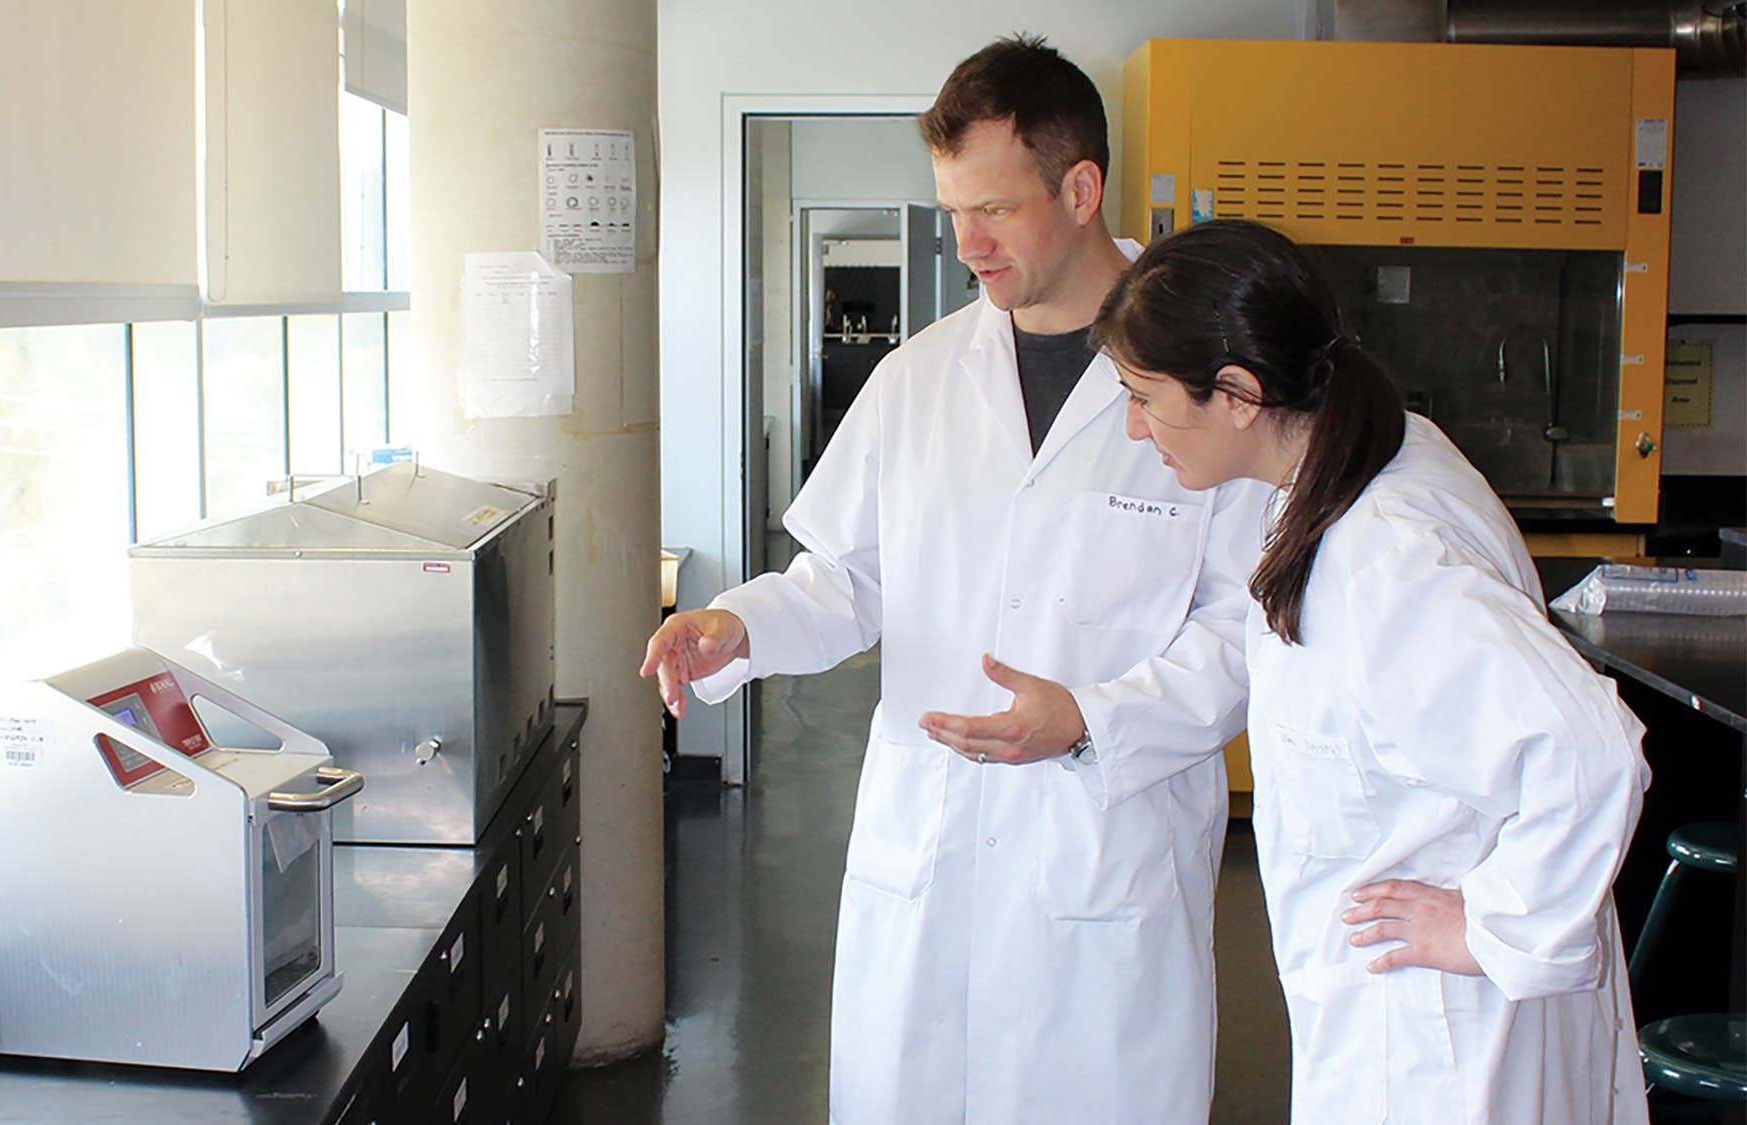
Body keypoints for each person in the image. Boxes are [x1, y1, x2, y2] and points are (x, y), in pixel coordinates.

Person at [640, 36, 1268, 1125]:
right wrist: (733, 627)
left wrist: (1088, 720)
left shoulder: (1206, 378)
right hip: (925, 860)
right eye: (948, 210)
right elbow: (841, 580)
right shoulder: (917, 379)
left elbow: (1240, 629)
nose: (965, 242)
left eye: (992, 208)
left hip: (1096, 857)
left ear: (1080, 188)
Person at [1091, 218, 1651, 1123]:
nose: (1132, 426)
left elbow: (1589, 755)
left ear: (1236, 393)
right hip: (1405, 1014)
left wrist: (1491, 923)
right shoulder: (1354, 462)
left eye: (1143, 396)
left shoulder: (1381, 557)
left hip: (1442, 1041)